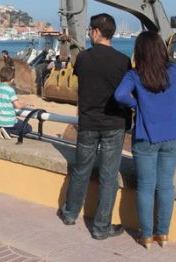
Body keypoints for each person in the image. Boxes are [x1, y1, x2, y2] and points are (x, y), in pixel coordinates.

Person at [114, 31, 176, 249]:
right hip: (173, 135)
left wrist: (138, 105)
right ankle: (163, 233)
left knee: (146, 186)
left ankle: (146, 236)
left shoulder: (135, 75)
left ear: (140, 52)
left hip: (146, 136)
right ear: (162, 50)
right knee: (165, 186)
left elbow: (119, 95)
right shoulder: (175, 71)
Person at [58, 13, 131, 240]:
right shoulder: (123, 61)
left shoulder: (83, 58)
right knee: (109, 177)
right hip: (114, 124)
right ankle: (101, 228)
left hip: (88, 123)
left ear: (97, 31)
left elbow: (83, 81)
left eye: (90, 29)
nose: (89, 33)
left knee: (81, 169)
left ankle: (70, 213)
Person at [0, 66, 32, 139]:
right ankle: (8, 132)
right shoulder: (10, 90)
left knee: (9, 125)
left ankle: (3, 130)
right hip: (9, 120)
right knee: (28, 128)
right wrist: (25, 105)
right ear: (12, 79)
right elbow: (18, 106)